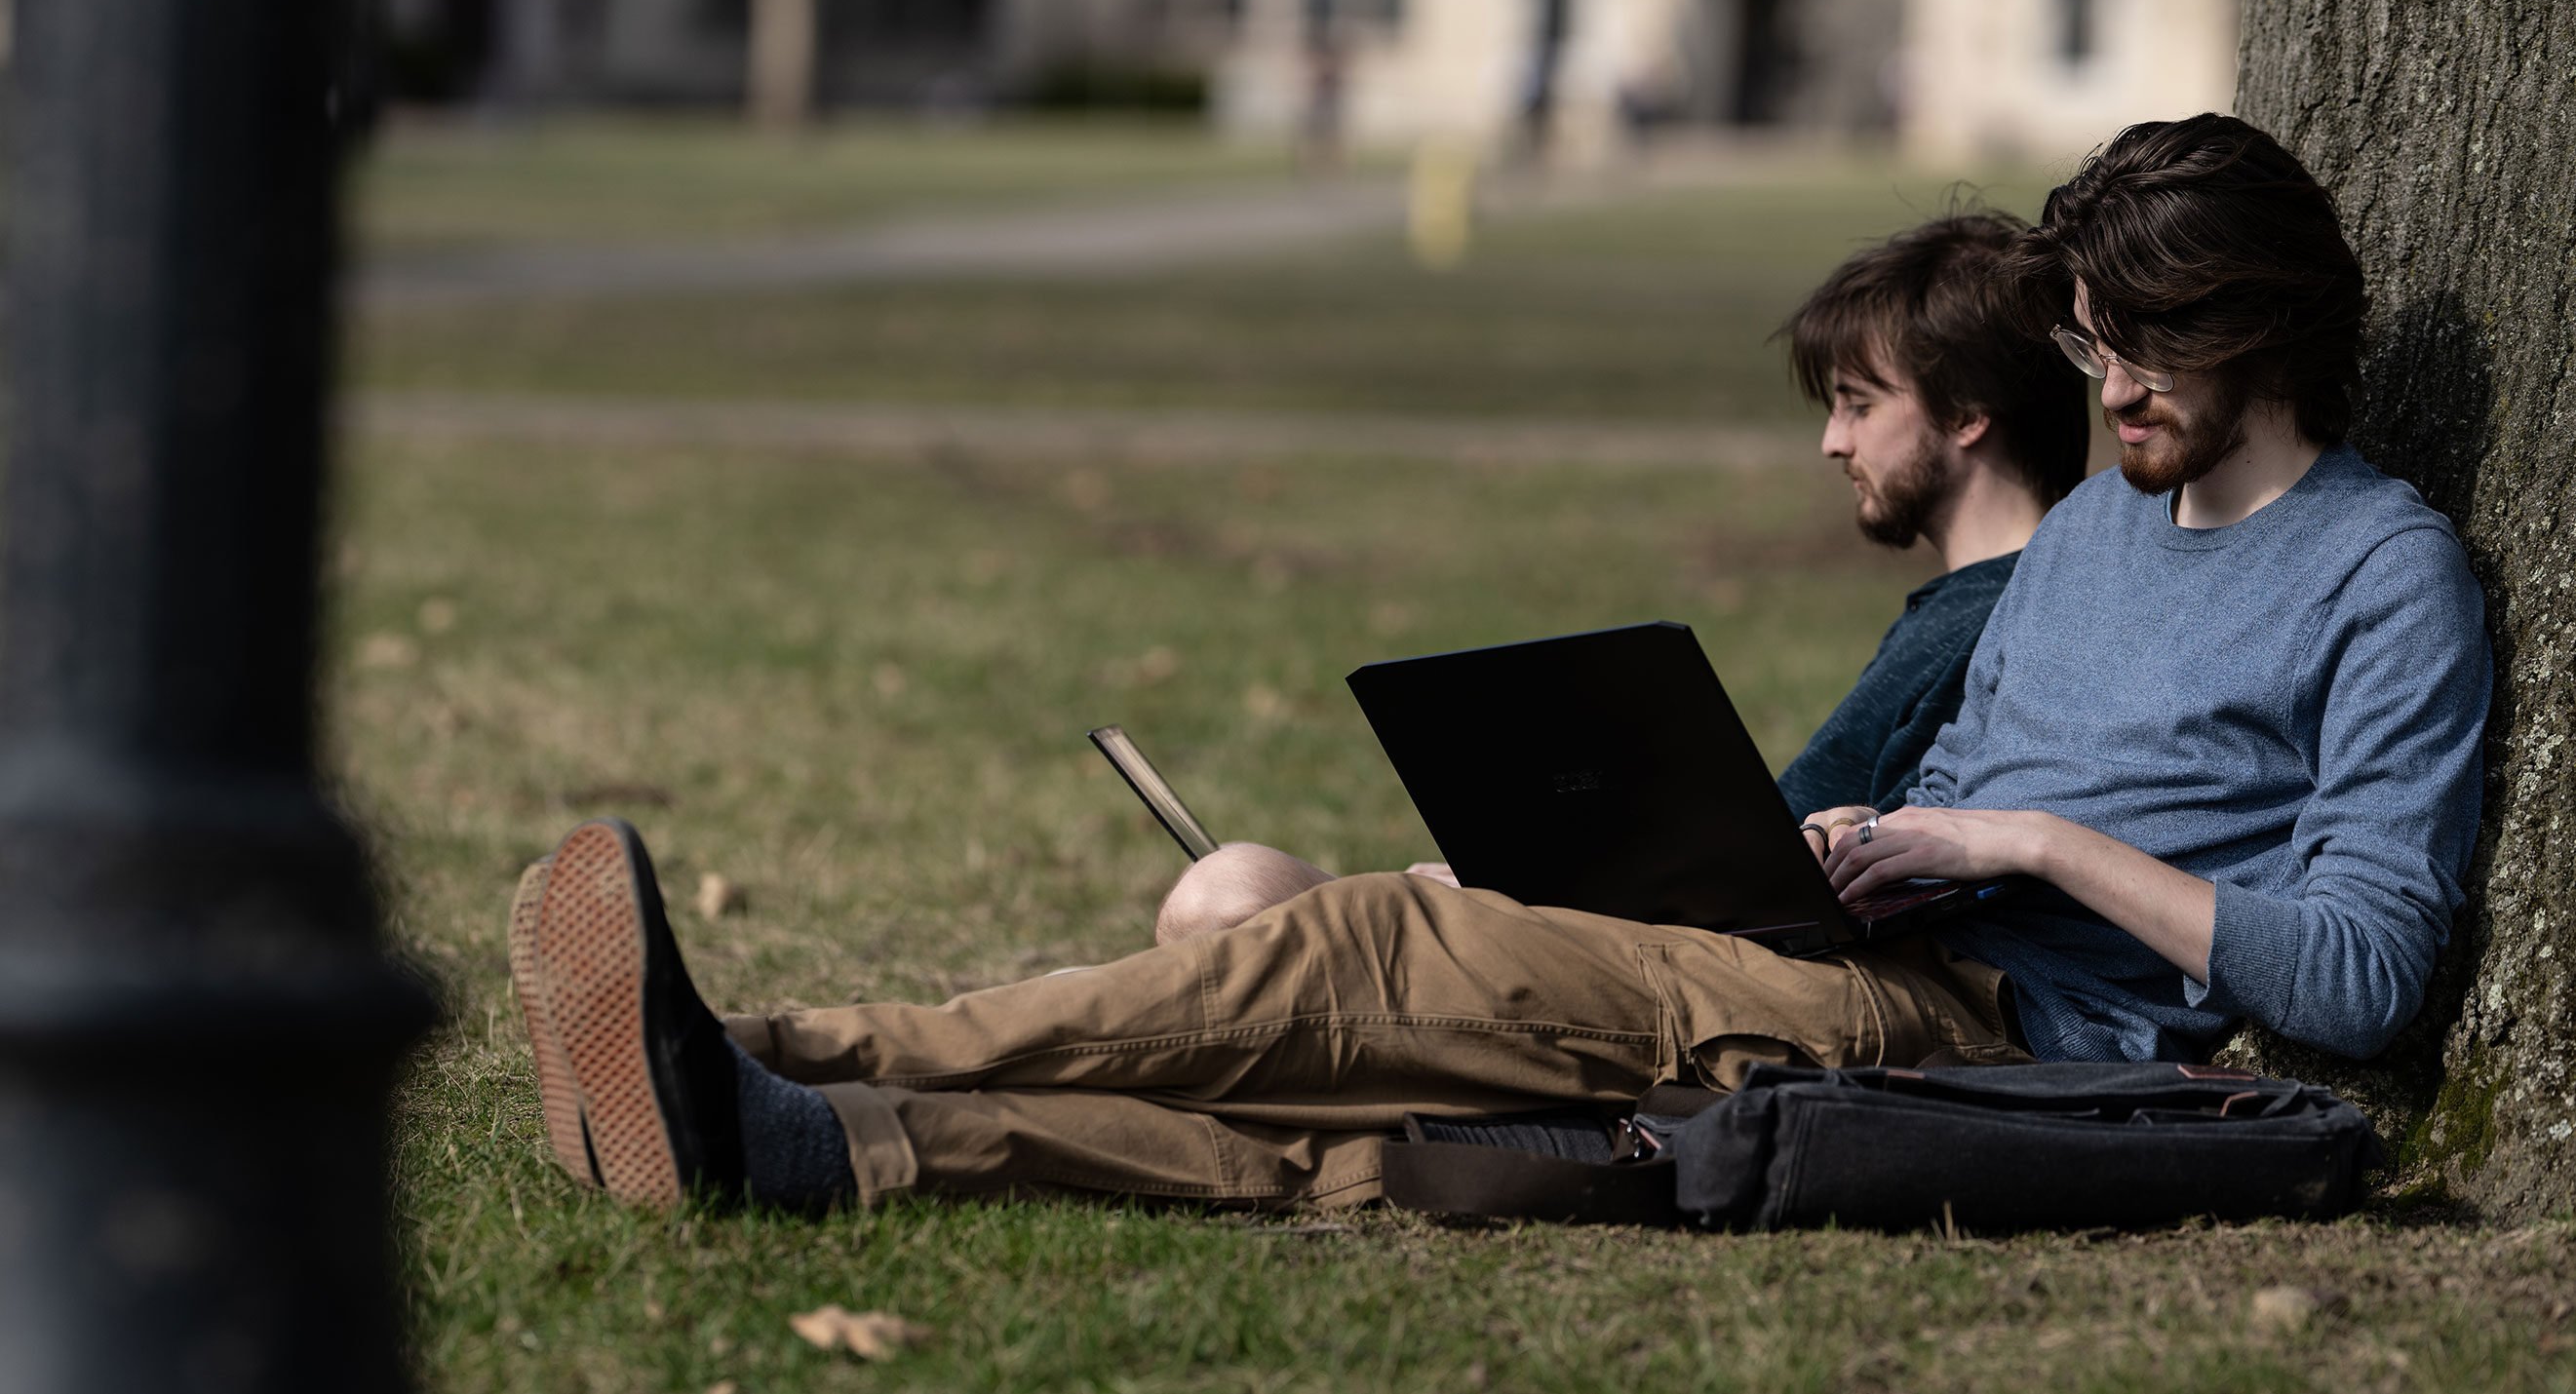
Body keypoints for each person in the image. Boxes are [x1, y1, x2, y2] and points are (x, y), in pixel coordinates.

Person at [511, 115, 2489, 1215]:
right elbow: (1956, 781)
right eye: (2088, 343)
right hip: (1854, 951)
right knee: (1364, 1133)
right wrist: (1848, 842)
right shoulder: (2087, 537)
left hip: (2014, 1046)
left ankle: (791, 1046)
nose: (2112, 388)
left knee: (1364, 956)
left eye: (2148, 348)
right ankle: (820, 1139)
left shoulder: (2381, 573)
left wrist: (2030, 847)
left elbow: (2368, 971)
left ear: (2270, 326)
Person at [1151, 210, 2090, 945]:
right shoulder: (1992, 601)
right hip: (1649, 927)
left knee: (1232, 899)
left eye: (1858, 403)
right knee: (1235, 898)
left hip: (1685, 960)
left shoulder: (2014, 611)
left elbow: (1779, 881)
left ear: (1970, 414)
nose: (1831, 439)